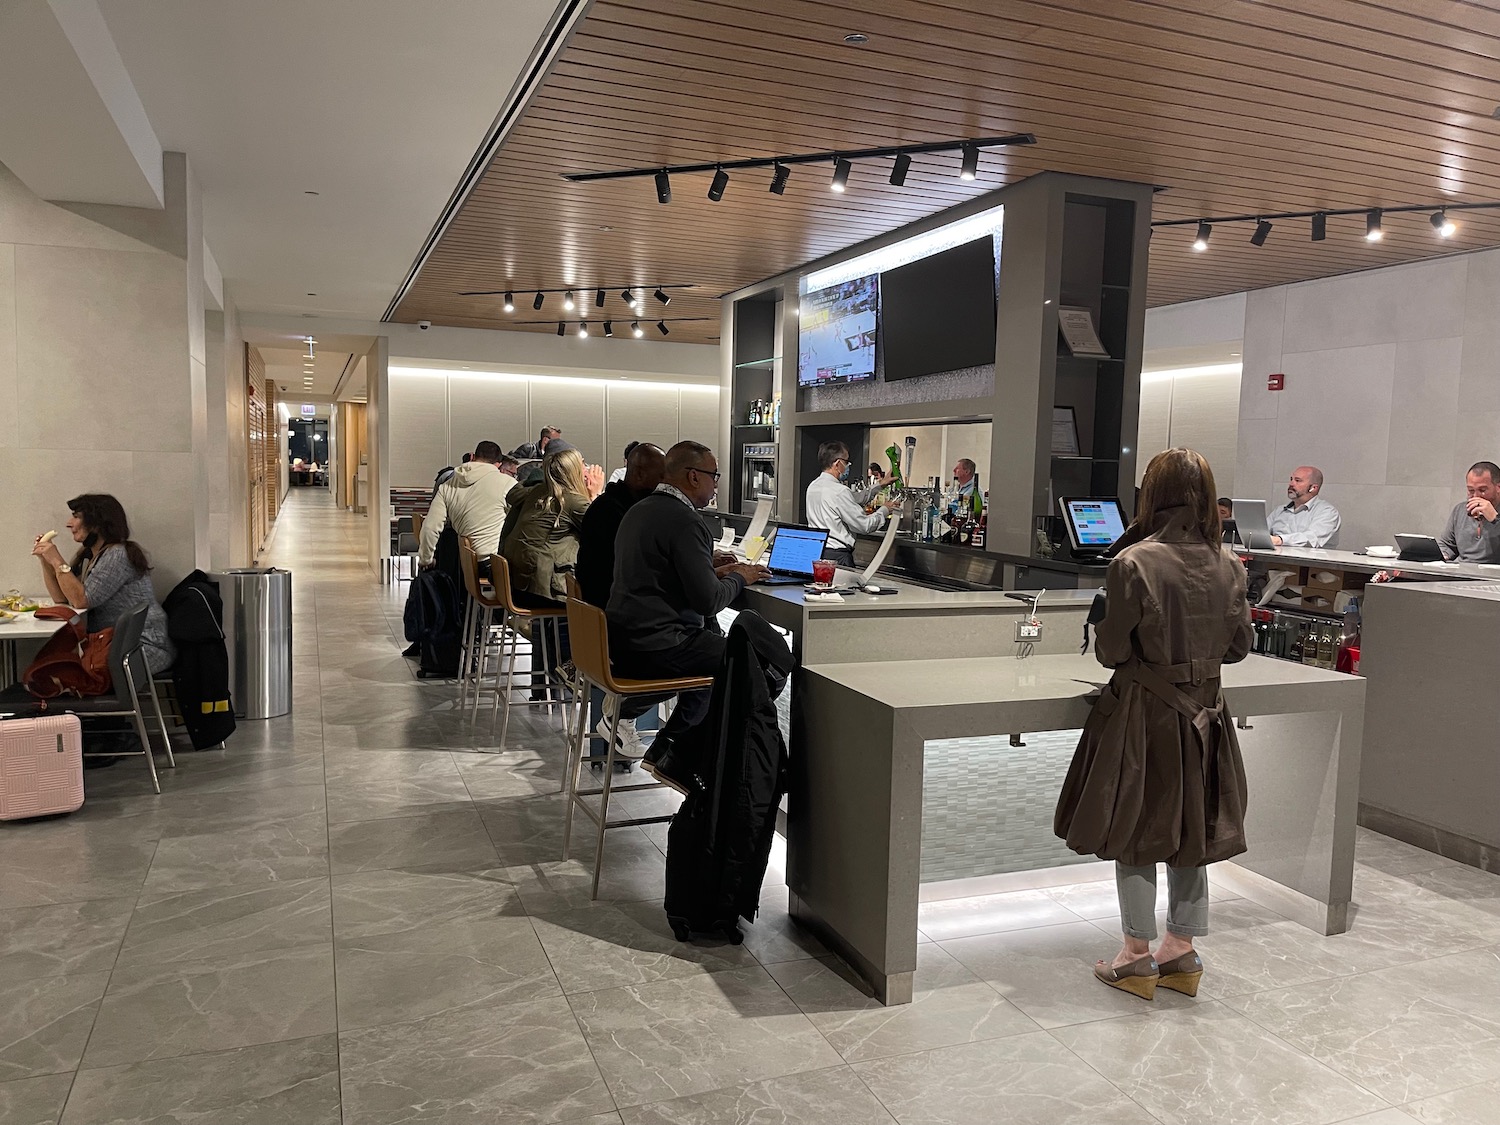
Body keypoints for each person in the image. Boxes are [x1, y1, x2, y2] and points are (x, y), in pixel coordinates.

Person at [1054, 448, 1253, 1002]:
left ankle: (1135, 955)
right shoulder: (1230, 566)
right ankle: (1181, 950)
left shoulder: (1133, 562)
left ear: (1152, 496)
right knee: (1194, 831)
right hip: (1207, 717)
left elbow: (1112, 651)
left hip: (1147, 716)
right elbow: (1239, 648)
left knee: (1137, 830)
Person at [608, 441, 767, 789]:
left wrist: (707, 567)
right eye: (714, 476)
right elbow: (708, 602)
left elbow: (657, 571)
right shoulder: (686, 521)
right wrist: (742, 576)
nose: (716, 485)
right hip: (659, 645)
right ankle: (681, 753)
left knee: (718, 651)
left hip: (624, 638)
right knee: (748, 659)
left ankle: (668, 746)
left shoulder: (639, 509)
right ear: (693, 476)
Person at [575, 442, 667, 755]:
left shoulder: (609, 505)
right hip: (620, 632)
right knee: (718, 656)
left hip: (597, 628)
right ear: (641, 473)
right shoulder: (626, 514)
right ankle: (672, 747)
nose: (665, 482)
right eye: (661, 474)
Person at [31, 493, 177, 675]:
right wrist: (46, 561)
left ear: (97, 524)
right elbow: (61, 597)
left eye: (76, 517)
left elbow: (81, 600)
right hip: (116, 646)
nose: (69, 523)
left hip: (141, 648)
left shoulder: (117, 555)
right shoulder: (90, 556)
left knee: (58, 671)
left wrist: (57, 560)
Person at [500, 447, 605, 694]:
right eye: (584, 465)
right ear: (575, 473)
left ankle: (545, 685)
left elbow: (514, 493)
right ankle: (571, 667)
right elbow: (603, 530)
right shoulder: (574, 501)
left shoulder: (538, 491)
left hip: (517, 584)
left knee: (565, 602)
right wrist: (596, 494)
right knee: (587, 604)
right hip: (540, 589)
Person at [419, 442, 516, 570]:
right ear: (498, 464)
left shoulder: (448, 486)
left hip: (463, 562)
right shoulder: (508, 483)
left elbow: (430, 528)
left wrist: (426, 560)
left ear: (474, 457)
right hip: (493, 563)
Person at [805, 441, 894, 567]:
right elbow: (864, 525)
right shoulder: (839, 491)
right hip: (837, 557)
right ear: (837, 463)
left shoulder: (813, 486)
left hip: (817, 553)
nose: (848, 466)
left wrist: (881, 485)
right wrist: (884, 510)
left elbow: (856, 498)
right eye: (846, 462)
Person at [1438, 460, 1500, 562]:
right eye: (1471, 490)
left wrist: (1495, 519)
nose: (1476, 496)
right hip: (1462, 571)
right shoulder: (1460, 510)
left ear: (1498, 487)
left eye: (1482, 490)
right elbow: (1447, 545)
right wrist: (1443, 555)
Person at [1268, 466, 1340, 547]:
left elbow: (1311, 539)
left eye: (1298, 481)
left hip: (1309, 559)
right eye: (1291, 479)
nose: (1291, 484)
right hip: (1272, 558)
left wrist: (1279, 540)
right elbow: (1260, 533)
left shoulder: (1327, 512)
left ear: (1313, 488)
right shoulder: (1279, 510)